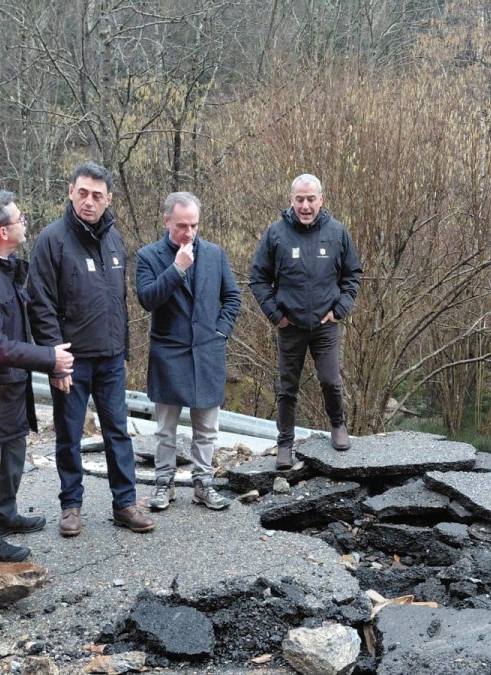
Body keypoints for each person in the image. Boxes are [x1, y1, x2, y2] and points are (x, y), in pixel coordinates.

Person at [28, 162, 155, 536]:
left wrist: (125, 351)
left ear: (108, 199)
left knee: (118, 432)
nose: (89, 201)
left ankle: (125, 503)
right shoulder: (52, 240)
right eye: (82, 192)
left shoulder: (115, 240)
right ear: (71, 192)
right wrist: (57, 360)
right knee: (69, 435)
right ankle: (71, 506)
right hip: (72, 360)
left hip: (111, 358)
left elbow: (120, 302)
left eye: (97, 195)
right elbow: (41, 305)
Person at [0, 191, 74, 562]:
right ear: (3, 231)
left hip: (12, 385)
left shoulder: (3, 264)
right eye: (19, 218)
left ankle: (4, 515)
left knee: (13, 458)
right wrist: (48, 359)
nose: (25, 222)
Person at [135, 192, 241, 511]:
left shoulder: (214, 254)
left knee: (207, 428)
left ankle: (203, 483)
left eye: (194, 225)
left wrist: (219, 332)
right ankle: (163, 484)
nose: (189, 232)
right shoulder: (149, 256)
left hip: (207, 354)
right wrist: (177, 269)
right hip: (168, 354)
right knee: (166, 430)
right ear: (167, 221)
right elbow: (147, 299)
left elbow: (232, 297)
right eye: (182, 225)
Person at [249, 174, 363, 470]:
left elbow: (353, 274)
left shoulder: (337, 233)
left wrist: (340, 310)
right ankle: (285, 443)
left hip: (326, 324)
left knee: (330, 380)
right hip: (291, 325)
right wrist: (276, 315)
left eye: (311, 199)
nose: (305, 205)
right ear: (291, 200)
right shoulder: (276, 234)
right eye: (300, 199)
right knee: (287, 387)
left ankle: (338, 425)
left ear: (321, 200)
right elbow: (258, 278)